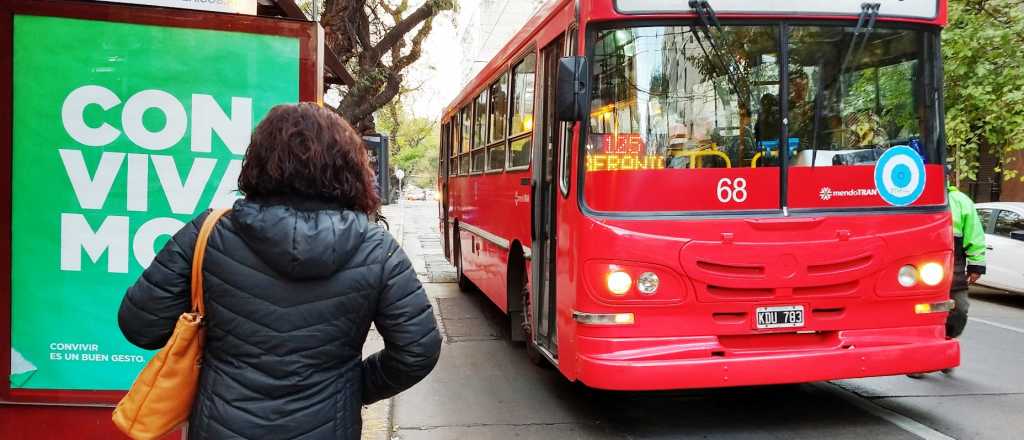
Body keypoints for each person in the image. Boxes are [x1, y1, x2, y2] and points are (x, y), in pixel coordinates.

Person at [118, 103, 441, 439]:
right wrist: (353, 387)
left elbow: (140, 326)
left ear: (259, 162)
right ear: (350, 168)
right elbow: (417, 351)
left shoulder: (209, 233)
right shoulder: (377, 248)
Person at [908, 168, 985, 378]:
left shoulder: (961, 201)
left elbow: (974, 234)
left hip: (954, 268)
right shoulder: (913, 199)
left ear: (948, 178)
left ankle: (945, 344)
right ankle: (919, 361)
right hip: (919, 268)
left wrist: (977, 265)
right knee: (922, 315)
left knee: (960, 309)